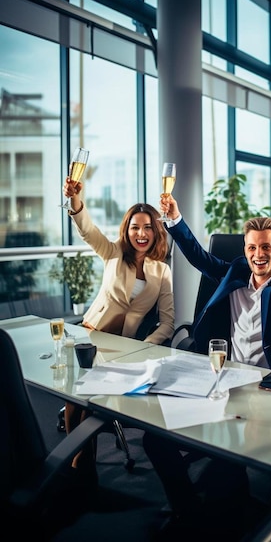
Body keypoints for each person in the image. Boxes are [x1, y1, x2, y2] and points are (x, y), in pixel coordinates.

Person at [142, 179, 271, 538]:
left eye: (267, 248)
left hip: (270, 389)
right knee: (155, 438)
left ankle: (222, 522)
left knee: (228, 459)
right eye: (253, 247)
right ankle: (188, 508)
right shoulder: (235, 271)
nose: (259, 255)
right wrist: (174, 219)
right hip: (222, 380)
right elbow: (197, 255)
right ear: (245, 249)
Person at [61, 177, 175, 484]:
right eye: (135, 227)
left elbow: (168, 322)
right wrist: (75, 201)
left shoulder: (161, 271)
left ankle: (80, 467)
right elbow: (87, 229)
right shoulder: (112, 253)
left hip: (123, 347)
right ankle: (82, 464)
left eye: (148, 227)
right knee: (78, 398)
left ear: (156, 232)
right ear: (127, 230)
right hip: (90, 334)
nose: (141, 233)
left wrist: (146, 345)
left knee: (90, 401)